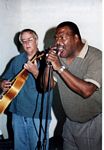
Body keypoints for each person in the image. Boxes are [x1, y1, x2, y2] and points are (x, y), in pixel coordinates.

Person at [44, 21, 102, 150]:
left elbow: (87, 91)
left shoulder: (96, 57)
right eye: (56, 38)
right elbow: (45, 86)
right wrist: (48, 65)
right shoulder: (60, 57)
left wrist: (59, 67)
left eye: (62, 37)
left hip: (91, 123)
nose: (58, 42)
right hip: (69, 122)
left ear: (76, 38)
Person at [0, 29, 53, 150]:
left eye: (30, 39)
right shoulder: (17, 60)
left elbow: (48, 86)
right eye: (23, 41)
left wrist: (35, 72)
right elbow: (3, 78)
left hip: (38, 115)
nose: (27, 43)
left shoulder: (47, 60)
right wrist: (2, 83)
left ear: (36, 40)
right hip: (17, 114)